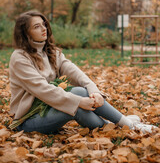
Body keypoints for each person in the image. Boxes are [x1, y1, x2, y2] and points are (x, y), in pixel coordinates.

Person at [9, 11, 157, 134]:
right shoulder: (20, 58)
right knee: (76, 103)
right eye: (37, 26)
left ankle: (121, 125)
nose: (44, 29)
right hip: (28, 120)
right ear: (25, 33)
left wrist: (95, 92)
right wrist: (79, 101)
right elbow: (43, 90)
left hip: (48, 108)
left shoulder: (51, 52)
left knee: (79, 95)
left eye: (44, 24)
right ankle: (129, 126)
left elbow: (76, 73)